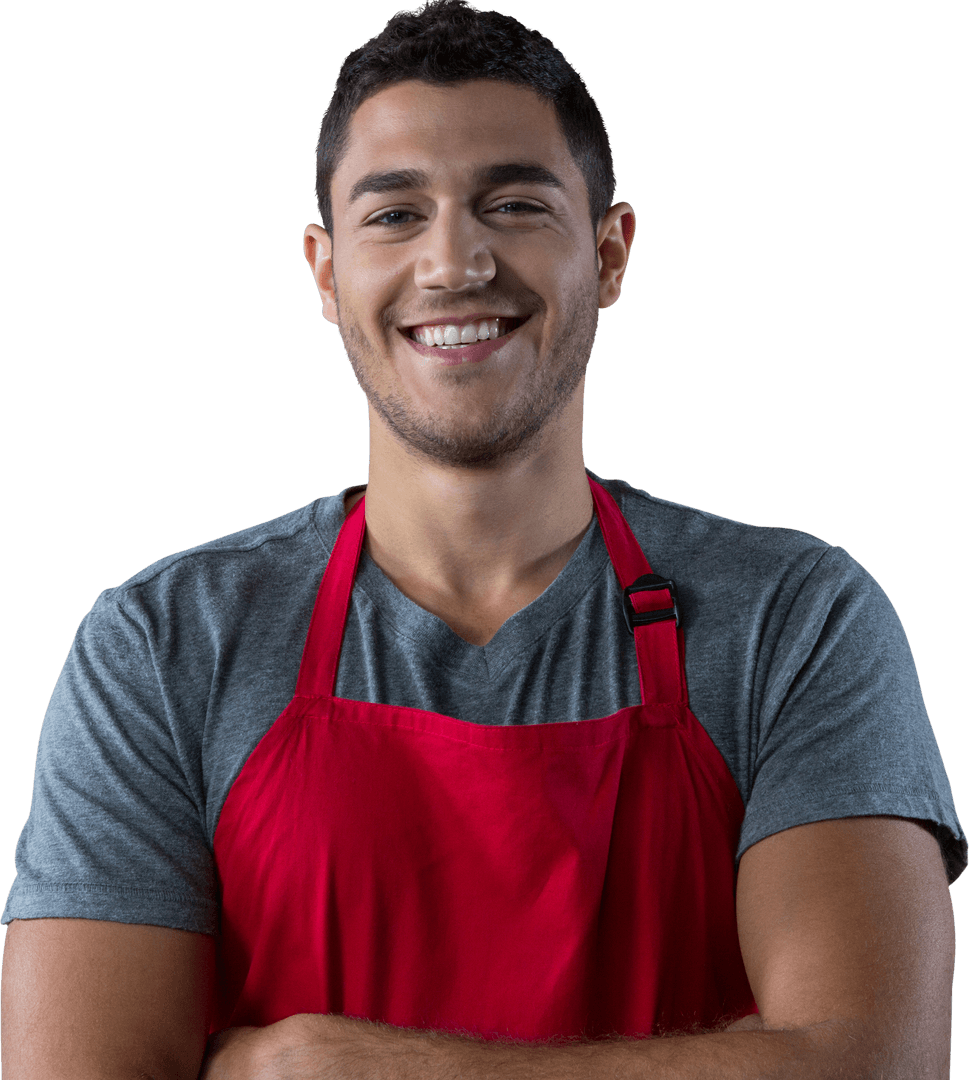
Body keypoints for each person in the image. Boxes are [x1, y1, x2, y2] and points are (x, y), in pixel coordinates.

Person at [1, 1, 963, 1077]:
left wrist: (356, 1068)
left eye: (512, 205)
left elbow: (874, 1065)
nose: (454, 262)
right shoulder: (163, 645)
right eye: (394, 214)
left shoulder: (795, 619)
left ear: (609, 254)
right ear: (326, 274)